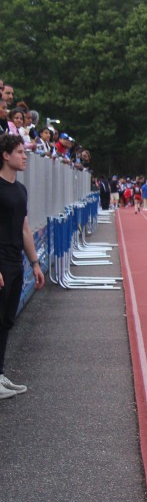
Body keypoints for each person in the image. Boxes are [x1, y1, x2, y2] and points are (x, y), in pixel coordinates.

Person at [0, 136, 46, 399]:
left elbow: (25, 229)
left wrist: (35, 263)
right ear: (5, 155)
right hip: (0, 260)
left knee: (7, 320)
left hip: (15, 260)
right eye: (19, 152)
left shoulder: (20, 190)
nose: (25, 156)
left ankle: (0, 373)